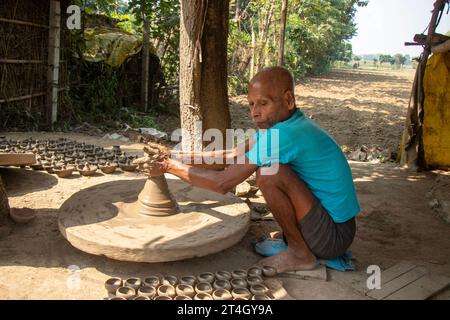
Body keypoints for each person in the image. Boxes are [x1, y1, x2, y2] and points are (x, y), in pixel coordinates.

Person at [135, 66, 360, 273]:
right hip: (333, 225)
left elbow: (223, 183)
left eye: (263, 103)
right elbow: (233, 155)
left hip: (333, 236)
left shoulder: (284, 135)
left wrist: (168, 167)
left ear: (288, 100)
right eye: (251, 104)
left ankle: (300, 254)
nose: (255, 112)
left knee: (269, 174)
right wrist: (174, 156)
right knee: (269, 169)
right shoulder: (286, 125)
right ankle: (297, 244)